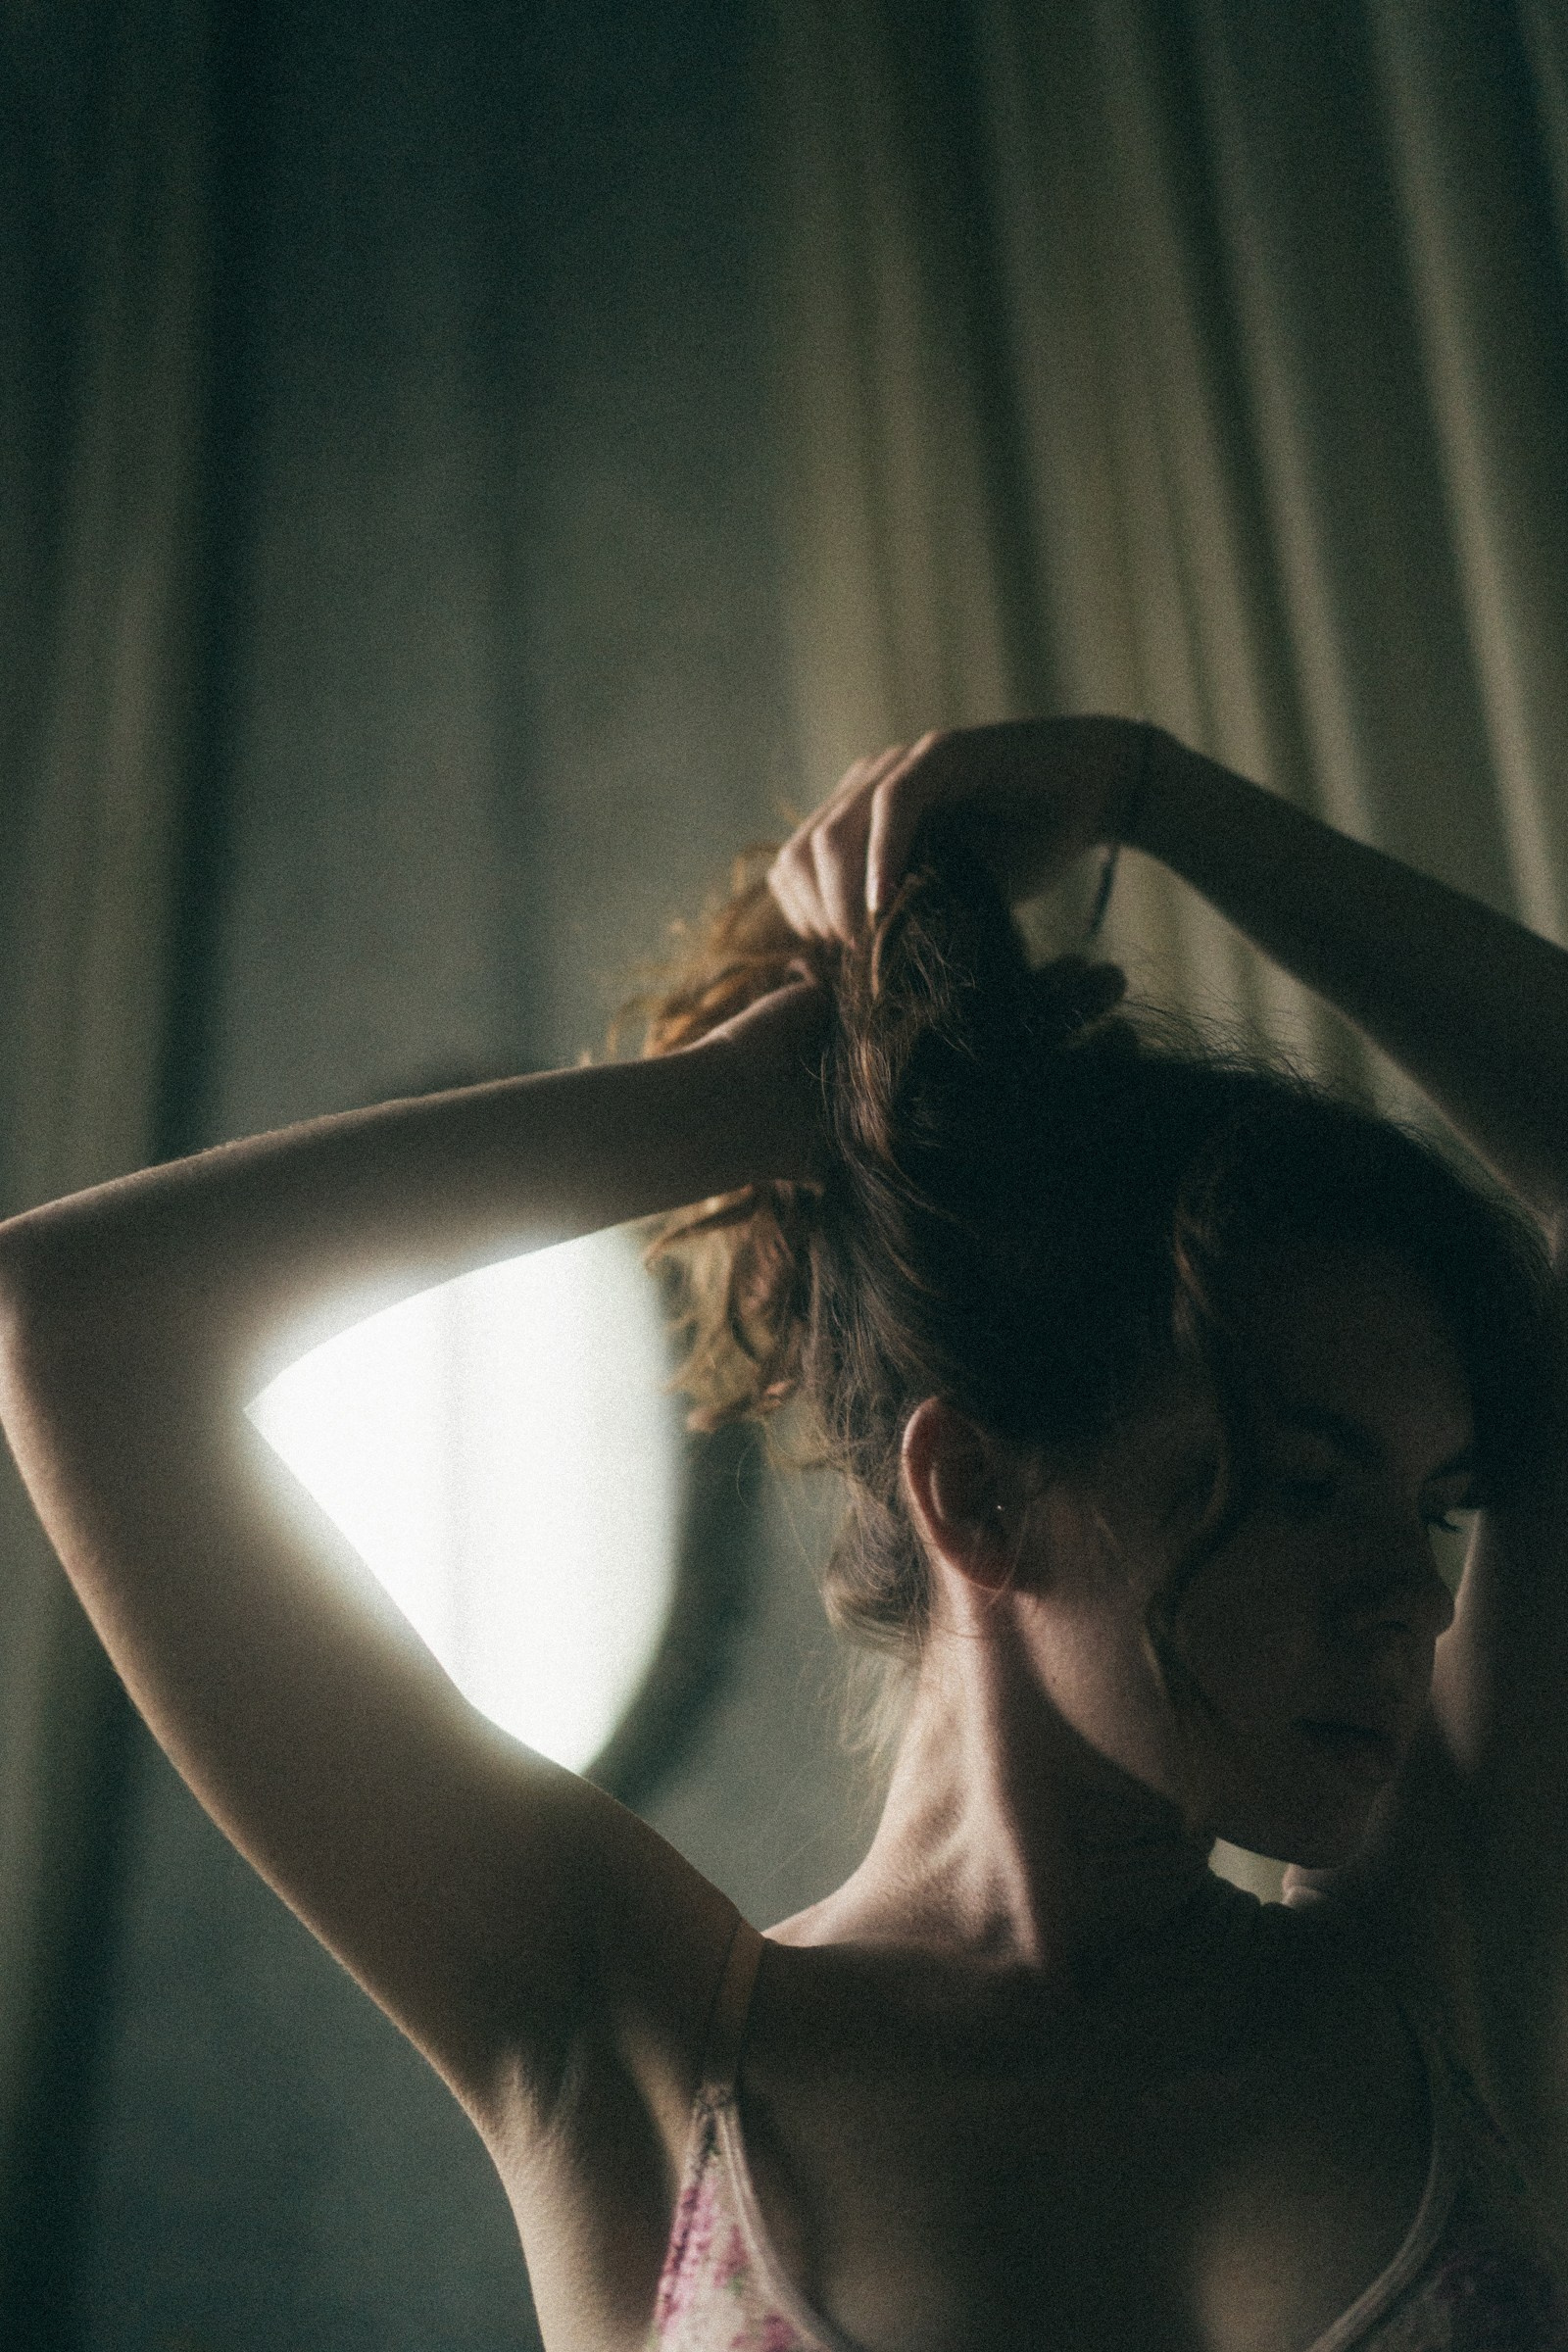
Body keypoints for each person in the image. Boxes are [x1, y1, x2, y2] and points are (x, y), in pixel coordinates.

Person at [1, 717, 1566, 2352]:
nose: (1416, 1600)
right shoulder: (633, 2042)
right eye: (1308, 1487)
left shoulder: (1445, 1958)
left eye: (1435, 1506)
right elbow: (81, 1328)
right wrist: (743, 1106)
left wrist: (1152, 792)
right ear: (976, 1495)